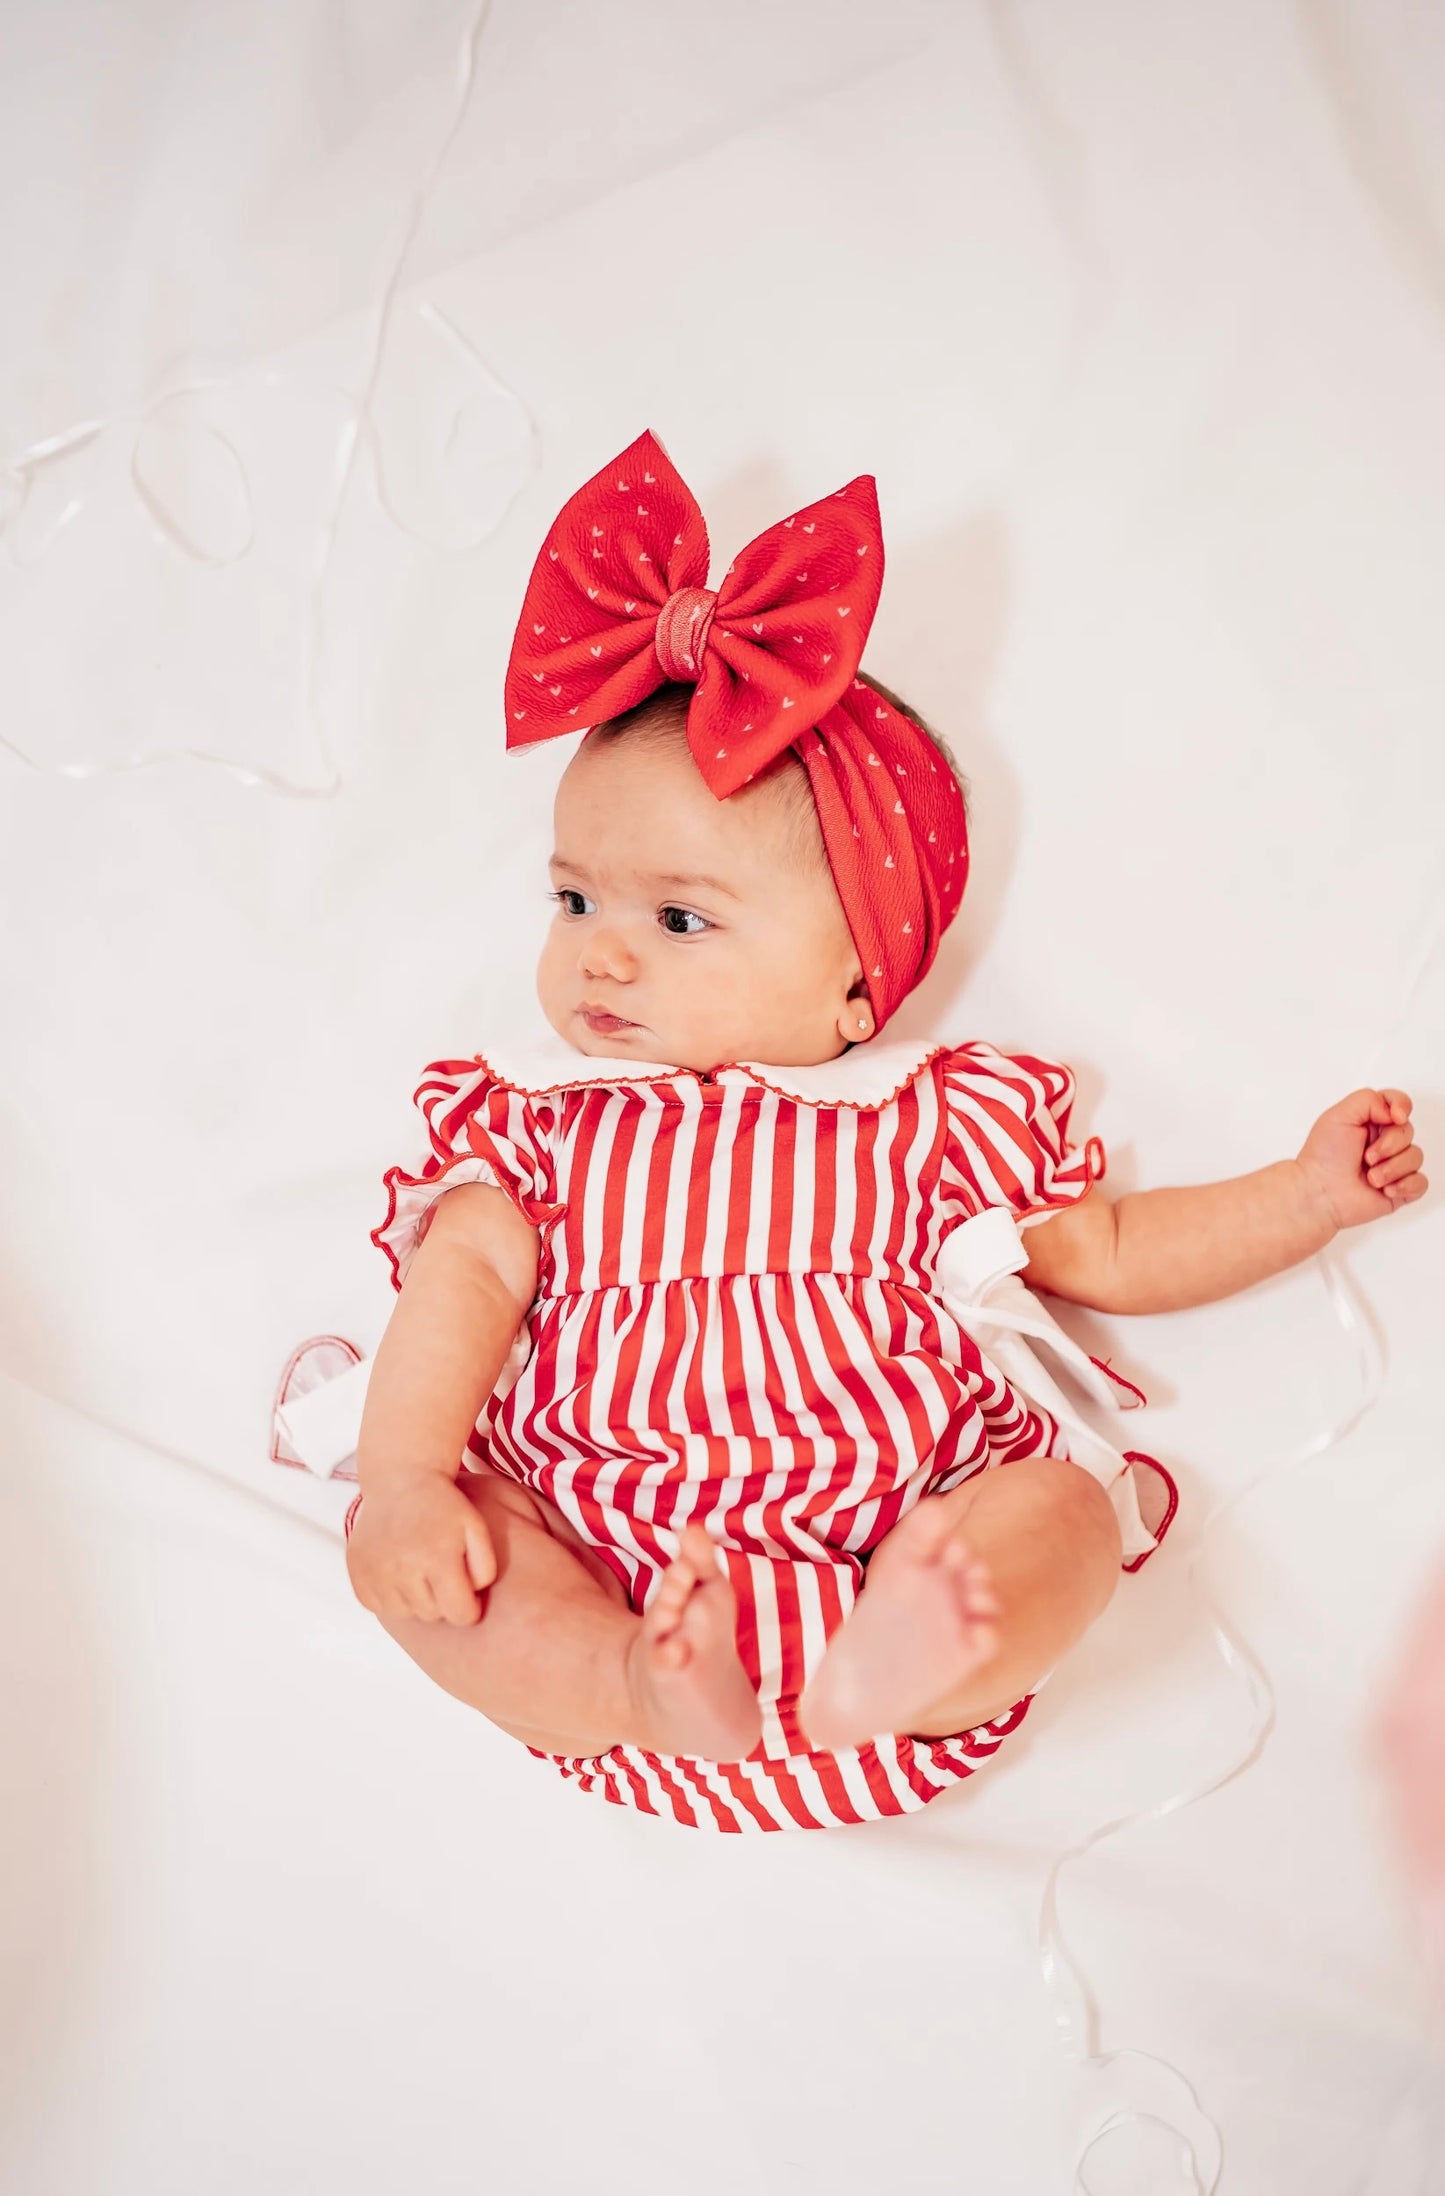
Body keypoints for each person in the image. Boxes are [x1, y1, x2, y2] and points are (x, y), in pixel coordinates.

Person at [340, 430, 1428, 1833]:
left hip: (895, 1544)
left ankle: (898, 1668)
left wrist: (1299, 1194)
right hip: (609, 1567)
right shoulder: (540, 1133)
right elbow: (457, 1293)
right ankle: (632, 1683)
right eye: (573, 904)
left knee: (1059, 1512)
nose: (602, 959)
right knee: (424, 1569)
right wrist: (408, 1480)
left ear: (859, 989)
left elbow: (1103, 1250)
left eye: (677, 918)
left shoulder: (925, 1124)